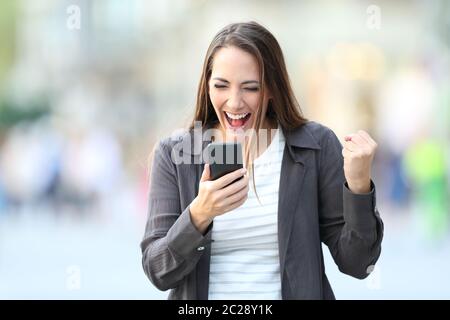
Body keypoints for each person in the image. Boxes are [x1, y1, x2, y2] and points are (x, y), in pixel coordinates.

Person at [141, 21, 383, 300]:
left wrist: (359, 186)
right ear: (207, 85)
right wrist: (199, 215)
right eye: (221, 85)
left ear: (271, 89)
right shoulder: (176, 154)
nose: (234, 102)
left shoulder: (314, 146)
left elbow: (358, 263)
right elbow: (158, 271)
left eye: (250, 88)